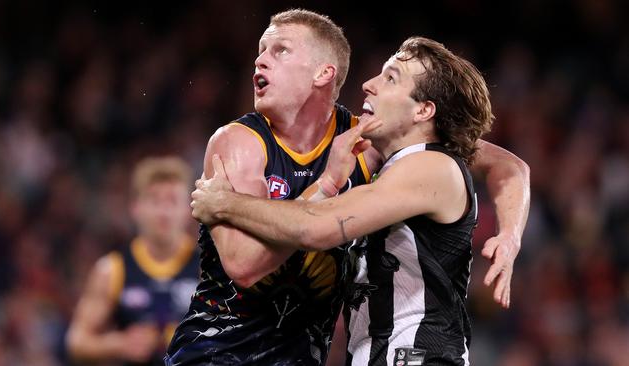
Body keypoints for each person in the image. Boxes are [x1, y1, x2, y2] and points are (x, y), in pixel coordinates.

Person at [167, 9, 529, 366]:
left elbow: (508, 165)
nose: (260, 61)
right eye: (262, 49)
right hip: (216, 356)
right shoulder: (243, 141)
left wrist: (226, 203)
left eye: (280, 50)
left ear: (324, 73)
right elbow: (244, 264)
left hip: (411, 355)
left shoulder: (405, 154)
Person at [66, 156, 201, 366]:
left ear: (188, 209)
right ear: (136, 207)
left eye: (172, 201)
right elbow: (76, 342)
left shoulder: (208, 267)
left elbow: (238, 335)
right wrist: (120, 344)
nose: (163, 212)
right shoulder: (112, 269)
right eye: (155, 200)